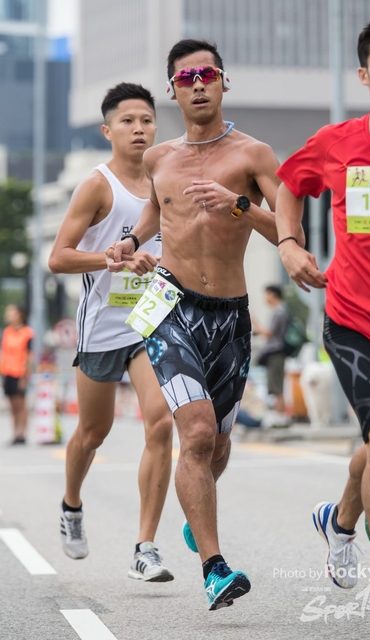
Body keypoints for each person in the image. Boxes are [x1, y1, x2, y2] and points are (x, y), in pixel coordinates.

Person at [106, 39, 293, 610]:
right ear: (173, 90)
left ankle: (197, 509)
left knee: (220, 444)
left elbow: (289, 231)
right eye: (186, 78)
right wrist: (132, 241)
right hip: (169, 307)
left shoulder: (254, 154)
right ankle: (215, 569)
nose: (198, 84)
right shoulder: (158, 158)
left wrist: (237, 204)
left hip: (230, 316)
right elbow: (156, 208)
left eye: (207, 74)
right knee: (197, 434)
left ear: (223, 81)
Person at [276, 15, 370, 628]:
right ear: (364, 75)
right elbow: (289, 184)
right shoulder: (335, 141)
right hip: (353, 317)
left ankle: (339, 520)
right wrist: (289, 244)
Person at [48, 83, 174, 582]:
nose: (139, 128)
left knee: (160, 423)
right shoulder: (97, 185)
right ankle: (71, 504)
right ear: (107, 131)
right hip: (103, 325)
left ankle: (145, 547)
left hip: (153, 320)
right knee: (92, 433)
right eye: (127, 121)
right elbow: (58, 258)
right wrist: (111, 258)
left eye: (146, 119)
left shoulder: (168, 177)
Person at [252, 285, 289, 421]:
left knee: (276, 386)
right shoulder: (281, 311)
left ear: (273, 294)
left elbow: (268, 333)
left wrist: (254, 321)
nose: (265, 298)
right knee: (275, 386)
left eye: (266, 294)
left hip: (275, 353)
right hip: (277, 353)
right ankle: (279, 416)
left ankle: (279, 417)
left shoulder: (279, 312)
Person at [0, 305, 33, 444]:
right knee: (12, 405)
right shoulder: (7, 332)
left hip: (20, 373)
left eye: (12, 313)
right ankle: (15, 433)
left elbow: (29, 355)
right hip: (7, 372)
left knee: (21, 405)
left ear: (20, 315)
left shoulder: (27, 332)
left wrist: (25, 376)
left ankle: (22, 434)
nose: (9, 316)